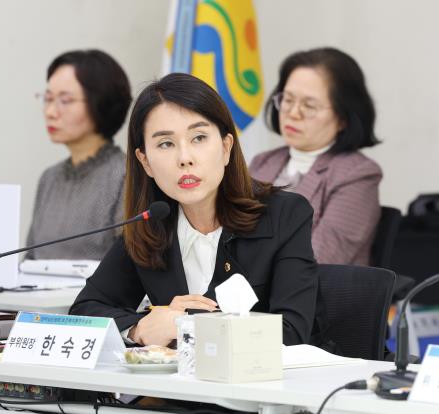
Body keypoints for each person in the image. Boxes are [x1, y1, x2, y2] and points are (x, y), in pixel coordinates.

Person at [70, 73, 325, 347]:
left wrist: (186, 324)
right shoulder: (151, 223)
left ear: (226, 147)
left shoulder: (284, 215)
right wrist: (138, 328)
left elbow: (291, 333)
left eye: (199, 138)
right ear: (145, 162)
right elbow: (85, 310)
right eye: (166, 144)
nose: (185, 158)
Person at [250, 47, 382, 266]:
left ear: (343, 118)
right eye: (288, 100)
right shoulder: (263, 163)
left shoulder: (357, 175)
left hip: (311, 288)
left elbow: (317, 258)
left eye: (309, 106)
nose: (293, 113)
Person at [25, 50, 131, 260]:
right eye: (48, 98)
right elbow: (30, 257)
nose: (50, 112)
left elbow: (129, 264)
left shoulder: (125, 175)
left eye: (65, 100)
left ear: (101, 103)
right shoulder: (50, 178)